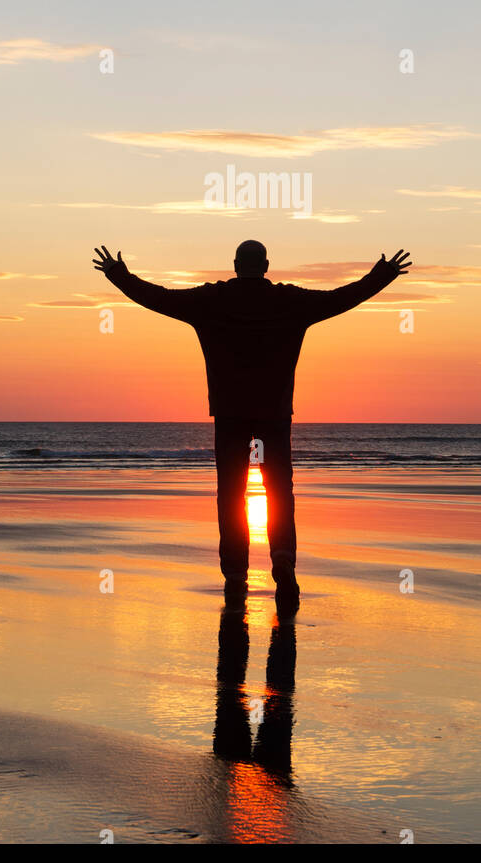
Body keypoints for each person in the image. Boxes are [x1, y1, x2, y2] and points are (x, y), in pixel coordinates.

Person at [93, 240, 412, 610]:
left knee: (231, 494)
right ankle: (282, 559)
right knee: (279, 492)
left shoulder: (210, 301)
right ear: (266, 266)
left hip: (230, 415)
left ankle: (235, 574)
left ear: (234, 265)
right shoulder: (290, 301)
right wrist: (382, 276)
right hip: (274, 415)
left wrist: (119, 276)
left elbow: (158, 298)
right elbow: (342, 298)